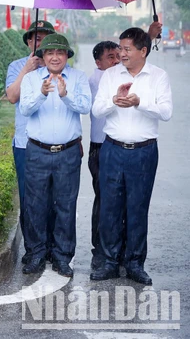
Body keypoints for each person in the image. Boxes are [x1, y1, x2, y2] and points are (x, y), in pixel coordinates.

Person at [90, 27, 172, 286]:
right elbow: (97, 109)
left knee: (138, 207)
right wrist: (114, 100)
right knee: (110, 208)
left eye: (127, 49)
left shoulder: (158, 76)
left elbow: (166, 112)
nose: (121, 54)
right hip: (112, 149)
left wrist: (139, 103)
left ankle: (135, 263)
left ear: (143, 51)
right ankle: (109, 262)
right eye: (120, 48)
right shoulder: (110, 75)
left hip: (144, 152)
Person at [19, 34, 91, 278]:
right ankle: (36, 254)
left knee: (66, 206)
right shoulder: (30, 79)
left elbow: (85, 107)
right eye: (50, 53)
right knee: (34, 205)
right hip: (37, 151)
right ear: (43, 56)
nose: (55, 57)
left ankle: (62, 256)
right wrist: (41, 92)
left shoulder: (78, 78)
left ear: (66, 56)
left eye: (60, 53)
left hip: (68, 152)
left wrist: (64, 94)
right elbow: (25, 108)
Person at [5, 20, 55, 263]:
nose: (40, 42)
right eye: (36, 38)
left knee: (54, 198)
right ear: (28, 42)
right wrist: (27, 69)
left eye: (46, 38)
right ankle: (33, 249)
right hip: (25, 143)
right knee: (29, 199)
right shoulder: (16, 67)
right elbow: (12, 96)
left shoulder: (58, 67)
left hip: (53, 143)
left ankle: (53, 248)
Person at [87, 40, 121, 270]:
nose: (117, 61)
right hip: (100, 147)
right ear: (98, 63)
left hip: (119, 145)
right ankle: (100, 250)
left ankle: (121, 249)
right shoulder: (96, 79)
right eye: (111, 57)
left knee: (123, 200)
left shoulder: (121, 76)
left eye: (119, 55)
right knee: (104, 200)